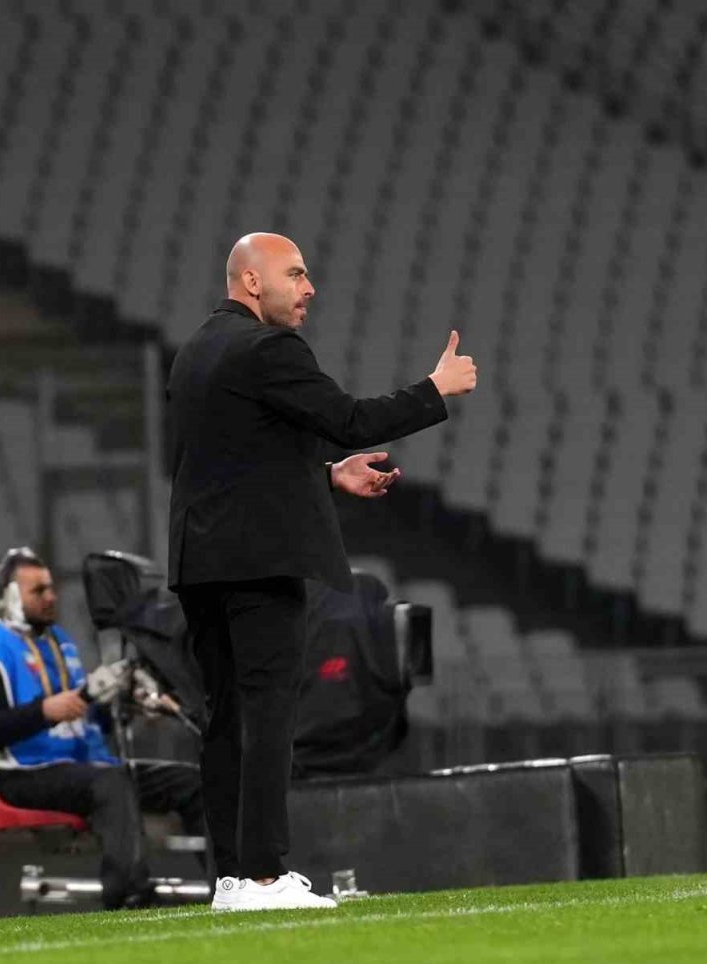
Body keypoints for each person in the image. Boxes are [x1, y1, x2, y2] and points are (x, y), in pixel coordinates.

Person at [167, 232, 478, 911]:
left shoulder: (196, 351)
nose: (309, 289)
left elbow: (232, 460)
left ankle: (231, 879)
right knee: (269, 712)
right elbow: (349, 419)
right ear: (253, 281)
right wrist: (435, 389)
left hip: (201, 561)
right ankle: (265, 876)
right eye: (296, 274)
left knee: (225, 717)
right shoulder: (268, 348)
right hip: (260, 560)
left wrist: (328, 476)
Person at [0, 547, 204, 910]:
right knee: (110, 782)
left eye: (51, 588)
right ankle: (127, 893)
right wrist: (44, 712)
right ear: (9, 597)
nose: (51, 596)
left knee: (190, 781)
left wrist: (121, 704)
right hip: (23, 772)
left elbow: (87, 718)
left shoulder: (59, 641)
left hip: (84, 765)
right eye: (39, 590)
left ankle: (230, 879)